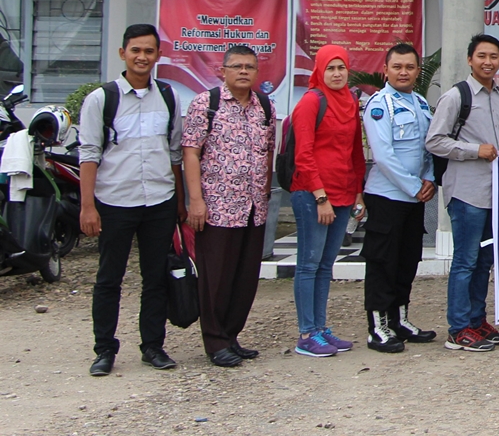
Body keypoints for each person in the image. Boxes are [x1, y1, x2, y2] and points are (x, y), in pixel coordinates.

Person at [77, 24, 184, 376]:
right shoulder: (102, 99)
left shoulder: (168, 96)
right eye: (136, 50)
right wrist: (88, 207)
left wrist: (180, 201)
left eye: (149, 51)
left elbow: (174, 153)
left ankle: (153, 346)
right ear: (123, 53)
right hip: (114, 202)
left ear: (158, 56)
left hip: (159, 201)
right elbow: (89, 155)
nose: (142, 57)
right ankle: (104, 350)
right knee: (109, 278)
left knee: (156, 278)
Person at [182, 44, 276, 367]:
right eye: (237, 66)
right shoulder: (205, 104)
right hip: (217, 207)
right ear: (222, 71)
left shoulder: (265, 106)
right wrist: (195, 201)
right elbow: (191, 153)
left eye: (249, 67)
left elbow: (268, 150)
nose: (243, 72)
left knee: (245, 277)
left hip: (253, 207)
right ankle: (215, 340)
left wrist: (265, 192)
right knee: (216, 278)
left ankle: (232, 335)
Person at [428, 35, 499, 351]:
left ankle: (477, 321)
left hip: (494, 195)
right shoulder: (456, 97)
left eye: (493, 57)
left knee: (484, 261)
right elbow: (434, 141)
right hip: (467, 195)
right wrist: (473, 150)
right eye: (481, 56)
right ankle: (458, 328)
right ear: (470, 60)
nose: (487, 62)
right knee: (465, 261)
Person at [289, 44, 367, 358]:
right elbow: (303, 154)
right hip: (313, 195)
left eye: (341, 68)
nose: (336, 74)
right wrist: (321, 197)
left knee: (325, 265)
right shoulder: (312, 101)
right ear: (320, 71)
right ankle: (306, 333)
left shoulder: (350, 101)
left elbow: (355, 152)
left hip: (344, 193)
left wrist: (358, 193)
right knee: (309, 264)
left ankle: (320, 328)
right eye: (330, 68)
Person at [360, 43, 438, 354]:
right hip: (387, 197)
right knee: (383, 263)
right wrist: (414, 186)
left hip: (415, 198)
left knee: (407, 261)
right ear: (386, 70)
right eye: (397, 67)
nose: (403, 72)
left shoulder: (420, 103)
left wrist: (429, 179)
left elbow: (428, 147)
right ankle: (378, 328)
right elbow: (383, 155)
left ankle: (400, 320)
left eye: (409, 67)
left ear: (418, 71)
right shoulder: (379, 105)